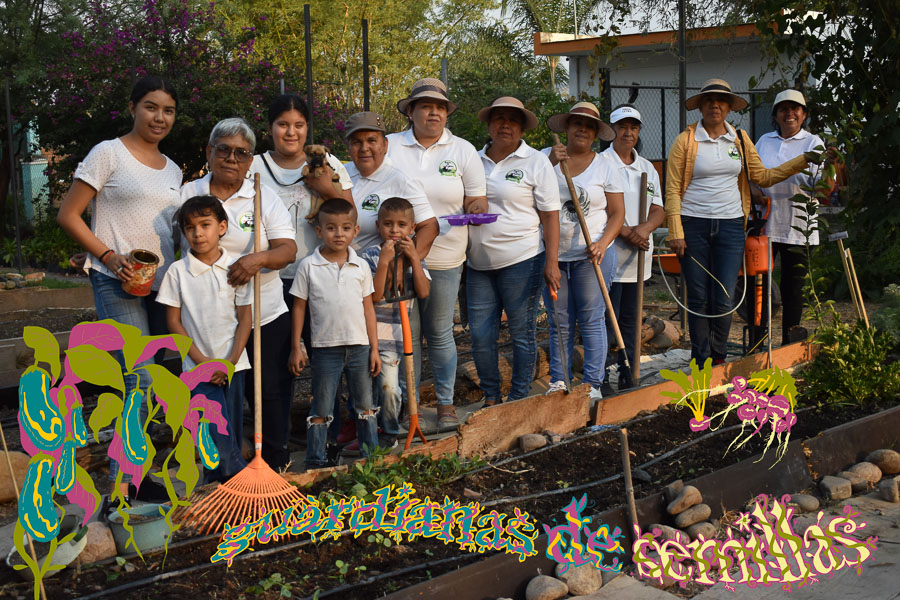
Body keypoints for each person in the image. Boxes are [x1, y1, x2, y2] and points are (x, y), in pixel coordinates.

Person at [57, 75, 181, 506]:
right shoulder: (108, 153)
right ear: (133, 108)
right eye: (150, 107)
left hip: (159, 288)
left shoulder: (174, 170)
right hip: (116, 281)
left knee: (151, 382)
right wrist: (108, 257)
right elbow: (69, 215)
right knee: (139, 380)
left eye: (167, 110)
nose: (159, 117)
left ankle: (138, 475)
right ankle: (121, 490)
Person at [665, 79, 829, 365]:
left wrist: (803, 160)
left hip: (731, 227)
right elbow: (672, 189)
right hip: (695, 225)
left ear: (729, 107)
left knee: (725, 295)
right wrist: (676, 230)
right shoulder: (685, 141)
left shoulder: (739, 139)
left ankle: (718, 358)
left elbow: (762, 177)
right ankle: (699, 357)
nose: (715, 105)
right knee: (699, 296)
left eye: (721, 101)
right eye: (708, 101)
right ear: (700, 107)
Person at [181, 117, 297, 470]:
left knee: (268, 390)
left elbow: (287, 249)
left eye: (241, 153)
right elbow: (174, 249)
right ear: (209, 152)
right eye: (224, 150)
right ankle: (220, 465)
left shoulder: (262, 194)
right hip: (211, 320)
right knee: (215, 391)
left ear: (250, 160)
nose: (232, 159)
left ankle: (276, 461)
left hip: (263, 311)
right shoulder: (189, 193)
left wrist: (256, 260)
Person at [388, 78, 487, 431]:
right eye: (426, 106)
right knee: (406, 334)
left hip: (445, 255)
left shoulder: (462, 150)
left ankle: (445, 404)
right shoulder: (390, 147)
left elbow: (478, 198)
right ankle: (407, 405)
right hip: (397, 257)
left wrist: (474, 207)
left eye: (440, 107)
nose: (434, 112)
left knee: (440, 331)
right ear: (411, 111)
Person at [468, 96, 561, 406]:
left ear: (522, 127)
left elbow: (550, 214)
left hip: (522, 259)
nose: (505, 124)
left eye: (512, 120)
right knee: (481, 336)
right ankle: (492, 398)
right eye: (498, 118)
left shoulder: (535, 162)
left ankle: (519, 396)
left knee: (521, 333)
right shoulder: (473, 159)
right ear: (489, 124)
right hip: (477, 262)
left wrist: (551, 261)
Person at [157, 196, 251, 482]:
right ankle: (238, 476)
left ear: (222, 227)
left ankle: (218, 489)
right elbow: (173, 322)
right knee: (211, 429)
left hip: (234, 364)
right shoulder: (177, 272)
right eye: (190, 228)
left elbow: (245, 318)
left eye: (205, 225)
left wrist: (229, 362)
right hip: (197, 368)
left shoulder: (236, 268)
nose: (197, 233)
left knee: (230, 427)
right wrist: (204, 365)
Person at [288, 199, 381, 469]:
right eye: (331, 228)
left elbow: (369, 310)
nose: (338, 234)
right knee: (322, 407)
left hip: (360, 348)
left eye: (345, 228)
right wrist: (297, 346)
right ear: (319, 231)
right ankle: (316, 461)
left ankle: (370, 458)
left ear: (355, 230)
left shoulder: (361, 266)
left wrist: (374, 348)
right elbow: (299, 308)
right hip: (325, 348)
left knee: (365, 405)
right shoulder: (309, 266)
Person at [542, 102, 625, 401]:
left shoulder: (606, 165)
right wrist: (551, 161)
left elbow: (618, 214)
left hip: (593, 256)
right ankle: (559, 381)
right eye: (577, 123)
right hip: (554, 255)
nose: (582, 130)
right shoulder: (546, 159)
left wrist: (602, 243)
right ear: (566, 127)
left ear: (594, 134)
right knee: (560, 320)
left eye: (589, 126)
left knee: (591, 318)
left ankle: (592, 384)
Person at [249, 94, 354, 312]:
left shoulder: (328, 164)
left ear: (307, 127)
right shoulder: (253, 167)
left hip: (319, 275)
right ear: (270, 127)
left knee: (320, 344)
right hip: (267, 279)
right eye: (282, 125)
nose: (291, 132)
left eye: (299, 125)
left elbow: (351, 217)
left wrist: (326, 190)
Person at [755, 90, 829, 345]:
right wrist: (757, 193)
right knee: (760, 287)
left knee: (792, 289)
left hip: (799, 226)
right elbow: (752, 177)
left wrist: (828, 171)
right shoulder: (764, 141)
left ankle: (789, 344)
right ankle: (758, 342)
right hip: (765, 224)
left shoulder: (813, 144)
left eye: (795, 108)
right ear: (776, 115)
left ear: (803, 114)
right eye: (784, 109)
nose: (789, 113)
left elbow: (823, 187)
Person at [601, 105, 665, 392]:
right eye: (623, 126)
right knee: (604, 318)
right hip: (611, 252)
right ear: (612, 129)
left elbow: (658, 209)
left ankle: (627, 370)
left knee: (630, 318)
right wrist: (627, 232)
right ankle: (599, 374)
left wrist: (645, 229)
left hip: (639, 256)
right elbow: (600, 208)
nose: (629, 132)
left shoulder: (647, 168)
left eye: (634, 127)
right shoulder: (601, 163)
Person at [359, 198, 431, 448]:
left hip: (399, 336)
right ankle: (379, 433)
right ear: (378, 226)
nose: (394, 230)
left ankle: (393, 427)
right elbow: (376, 295)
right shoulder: (368, 257)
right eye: (388, 224)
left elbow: (423, 292)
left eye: (401, 225)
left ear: (412, 228)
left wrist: (414, 259)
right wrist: (384, 262)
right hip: (372, 336)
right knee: (377, 389)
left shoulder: (414, 257)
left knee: (395, 387)